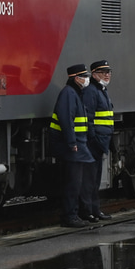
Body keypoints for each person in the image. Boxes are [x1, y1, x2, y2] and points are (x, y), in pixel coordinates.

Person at [49, 64, 96, 227]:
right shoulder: (69, 94)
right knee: (73, 183)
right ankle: (70, 216)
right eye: (84, 76)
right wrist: (71, 142)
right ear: (76, 78)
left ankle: (77, 213)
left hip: (78, 145)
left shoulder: (74, 93)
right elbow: (66, 120)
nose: (87, 79)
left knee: (78, 181)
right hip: (72, 146)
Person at [81, 60, 115, 222]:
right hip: (94, 142)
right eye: (103, 72)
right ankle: (88, 211)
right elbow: (88, 118)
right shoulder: (92, 91)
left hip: (101, 141)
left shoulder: (102, 90)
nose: (107, 74)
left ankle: (95, 209)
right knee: (89, 179)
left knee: (94, 180)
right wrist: (93, 139)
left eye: (108, 71)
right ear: (94, 74)